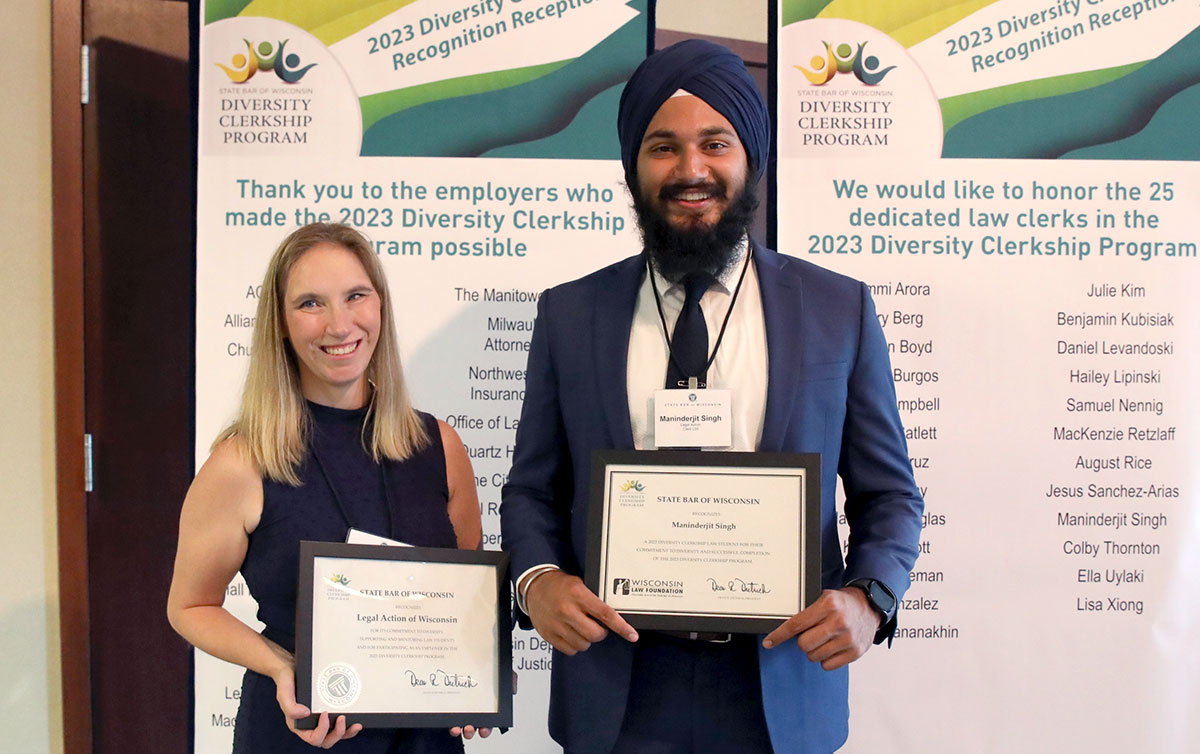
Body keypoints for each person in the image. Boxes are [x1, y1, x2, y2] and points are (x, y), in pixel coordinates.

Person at [499, 39, 924, 754]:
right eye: (663, 147)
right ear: (633, 166)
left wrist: (870, 597)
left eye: (715, 144)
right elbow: (532, 489)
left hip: (780, 688)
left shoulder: (836, 309)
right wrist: (537, 581)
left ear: (750, 159)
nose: (690, 170)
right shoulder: (570, 313)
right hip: (617, 691)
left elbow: (890, 495)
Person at [167, 223, 490, 752]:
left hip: (424, 736)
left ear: (380, 305)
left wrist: (482, 671)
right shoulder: (243, 461)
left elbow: (465, 593)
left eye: (355, 296)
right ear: (280, 323)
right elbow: (190, 606)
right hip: (303, 726)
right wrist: (282, 667)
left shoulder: (441, 446)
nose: (339, 325)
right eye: (311, 303)